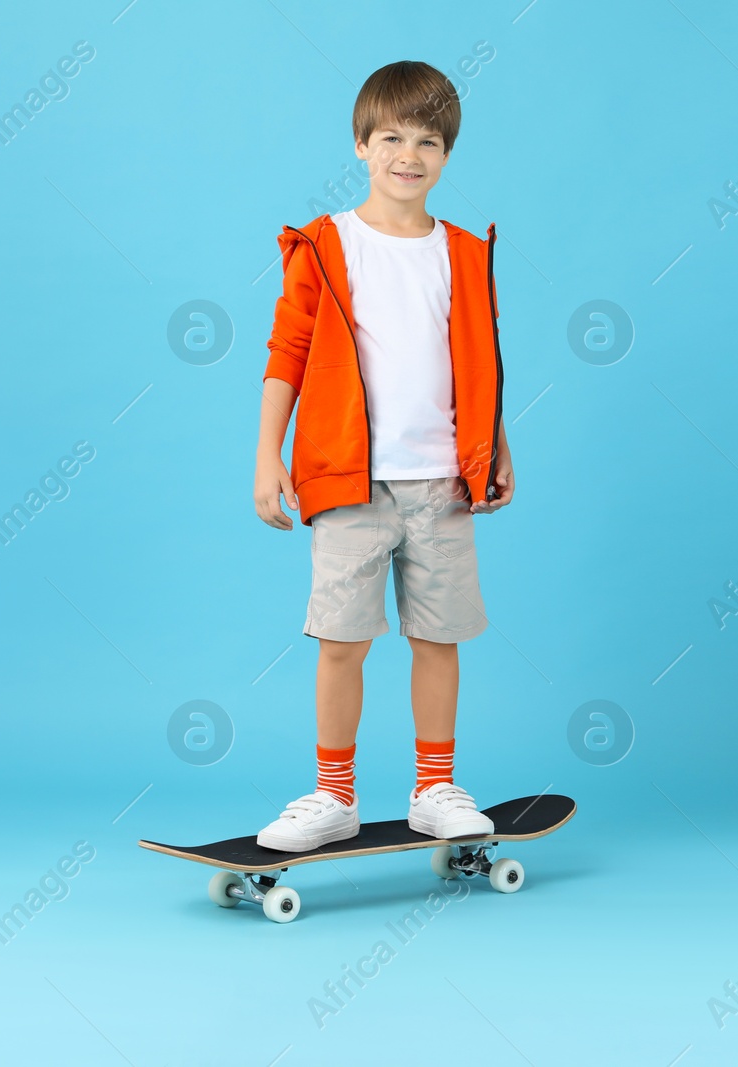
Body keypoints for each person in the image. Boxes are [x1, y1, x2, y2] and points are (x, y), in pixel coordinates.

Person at [252, 59, 514, 852]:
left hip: (443, 483)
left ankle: (435, 785)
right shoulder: (329, 243)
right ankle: (334, 796)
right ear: (361, 145)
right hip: (347, 481)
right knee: (343, 639)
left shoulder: (463, 252)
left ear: (446, 155)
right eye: (392, 137)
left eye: (428, 141)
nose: (410, 154)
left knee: (439, 638)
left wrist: (496, 446)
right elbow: (287, 352)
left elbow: (481, 357)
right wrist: (269, 457)